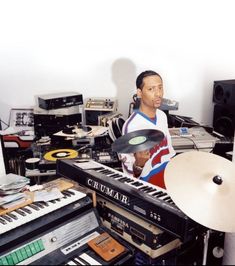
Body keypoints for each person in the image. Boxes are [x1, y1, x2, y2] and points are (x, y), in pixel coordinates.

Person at [120, 70, 175, 189]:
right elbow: (129, 175)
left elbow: (169, 151)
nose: (158, 94)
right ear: (139, 93)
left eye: (160, 88)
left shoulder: (162, 115)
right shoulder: (131, 126)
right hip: (147, 189)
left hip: (167, 183)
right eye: (151, 89)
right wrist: (139, 164)